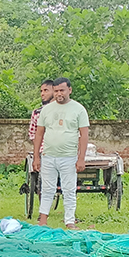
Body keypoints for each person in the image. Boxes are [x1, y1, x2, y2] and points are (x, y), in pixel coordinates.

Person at [33, 77, 89, 229]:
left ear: (69, 90)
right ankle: (43, 220)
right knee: (47, 189)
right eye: (56, 91)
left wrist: (81, 158)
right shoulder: (46, 110)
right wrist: (36, 156)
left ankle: (69, 221)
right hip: (48, 156)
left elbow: (84, 134)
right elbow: (39, 134)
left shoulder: (79, 109)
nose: (59, 94)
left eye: (62, 90)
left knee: (69, 189)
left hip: (69, 157)